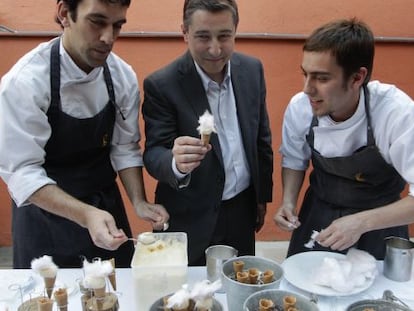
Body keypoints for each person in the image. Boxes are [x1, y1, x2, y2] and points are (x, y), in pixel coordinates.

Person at [0, 0, 169, 268]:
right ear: (65, 14)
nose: (108, 38)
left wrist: (139, 201)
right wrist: (85, 214)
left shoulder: (121, 76)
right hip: (44, 217)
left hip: (104, 205)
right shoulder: (25, 83)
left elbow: (124, 147)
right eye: (97, 22)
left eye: (117, 26)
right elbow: (22, 173)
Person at [142, 0, 273, 265]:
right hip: (189, 215)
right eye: (203, 36)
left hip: (241, 208)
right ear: (185, 32)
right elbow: (154, 152)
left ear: (235, 30)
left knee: (238, 284)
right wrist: (175, 162)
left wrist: (262, 198)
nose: (215, 49)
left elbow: (261, 138)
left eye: (224, 36)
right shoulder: (162, 84)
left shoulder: (252, 70)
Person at [274, 18, 414, 260]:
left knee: (375, 296)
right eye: (305, 74)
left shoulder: (396, 113)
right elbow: (295, 160)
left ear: (357, 78)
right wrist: (288, 201)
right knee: (304, 292)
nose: (308, 88)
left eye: (322, 78)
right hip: (318, 213)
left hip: (380, 224)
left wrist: (361, 222)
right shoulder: (301, 107)